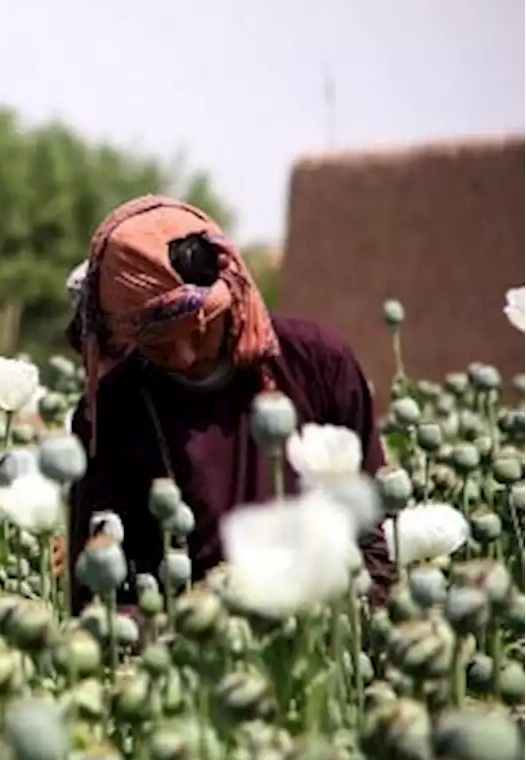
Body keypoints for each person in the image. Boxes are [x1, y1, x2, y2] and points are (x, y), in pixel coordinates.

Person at [64, 195, 393, 613]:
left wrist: (352, 630)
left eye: (199, 330)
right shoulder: (112, 412)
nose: (184, 356)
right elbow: (97, 593)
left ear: (232, 292)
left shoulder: (316, 363)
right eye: (157, 344)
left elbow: (372, 533)